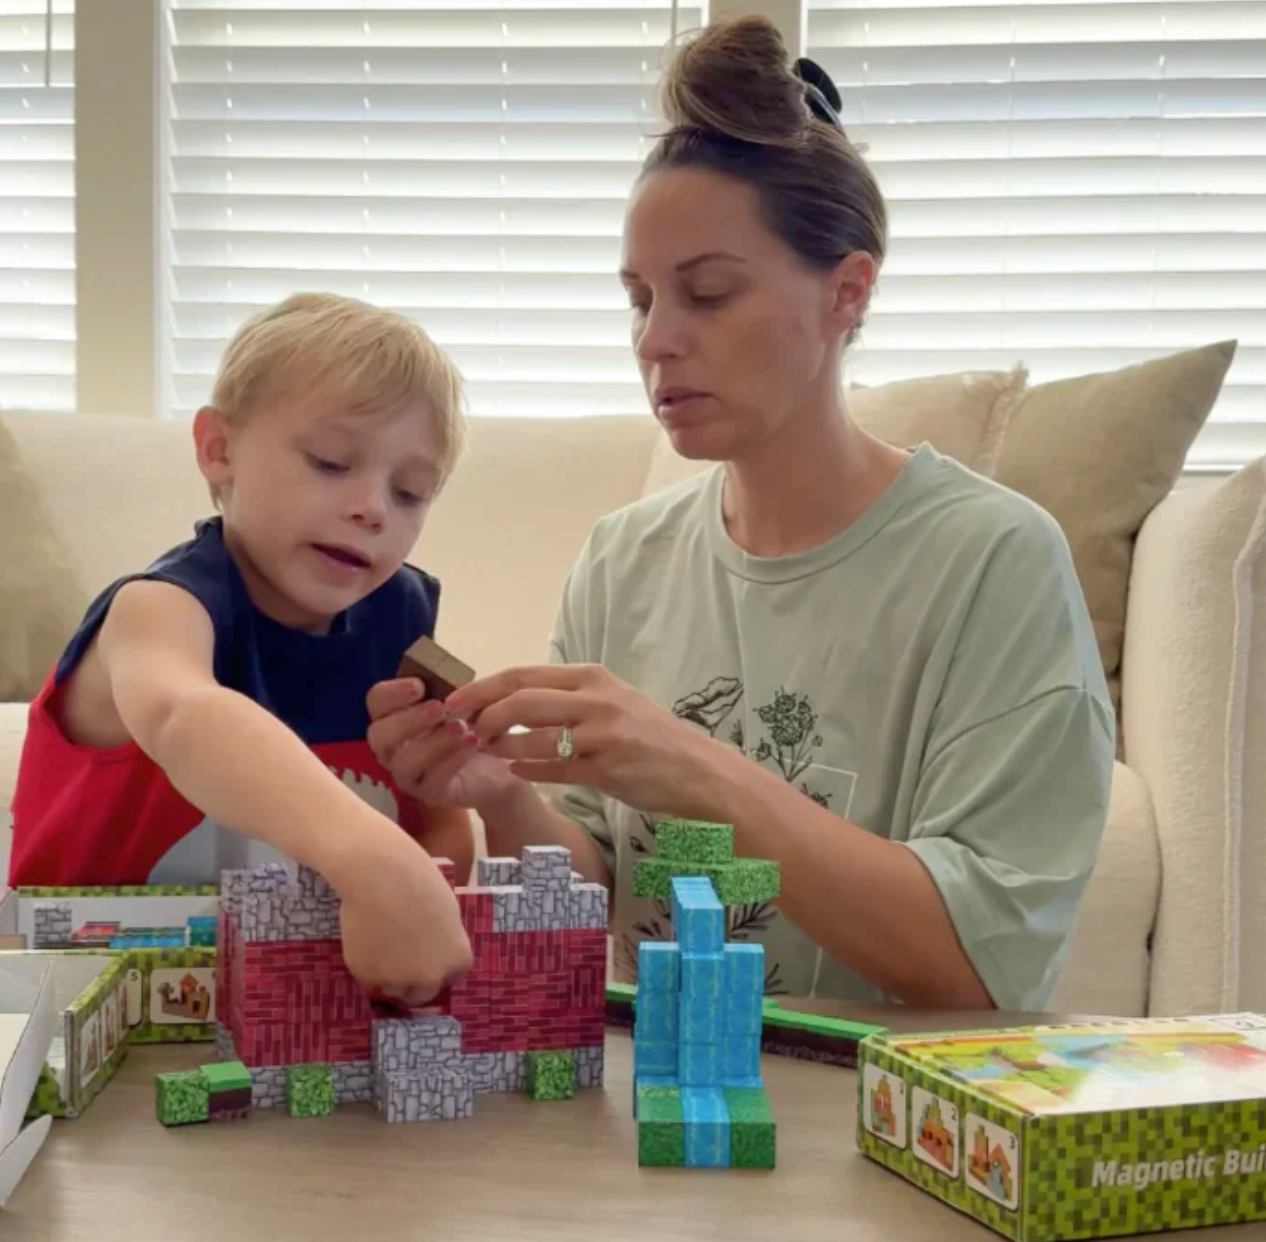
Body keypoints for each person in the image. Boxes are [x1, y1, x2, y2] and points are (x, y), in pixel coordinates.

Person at [366, 17, 1116, 1012]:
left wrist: (697, 769)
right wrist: (497, 795)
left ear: (847, 293)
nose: (657, 341)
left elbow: (980, 971)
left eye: (709, 294)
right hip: (658, 1108)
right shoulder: (623, 558)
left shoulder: (994, 563)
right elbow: (593, 903)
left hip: (890, 1128)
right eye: (639, 300)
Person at [8, 292, 475, 1006]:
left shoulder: (400, 612)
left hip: (311, 1019)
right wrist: (377, 863)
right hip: (98, 1015)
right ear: (218, 450)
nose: (373, 508)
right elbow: (185, 715)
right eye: (329, 462)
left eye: (410, 492)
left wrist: (432, 881)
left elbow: (433, 812)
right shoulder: (158, 608)